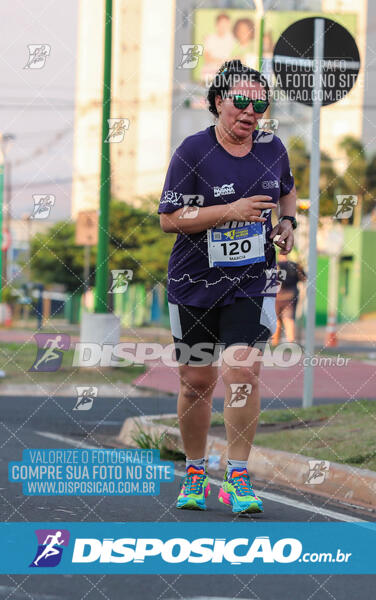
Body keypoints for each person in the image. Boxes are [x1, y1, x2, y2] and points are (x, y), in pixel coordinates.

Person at [159, 60, 297, 514]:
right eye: (240, 101)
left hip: (251, 280)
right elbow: (169, 220)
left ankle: (237, 476)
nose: (250, 111)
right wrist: (230, 210)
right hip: (194, 283)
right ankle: (195, 470)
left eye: (260, 104)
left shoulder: (273, 147)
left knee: (243, 372)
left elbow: (287, 190)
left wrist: (289, 222)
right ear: (217, 102)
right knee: (197, 381)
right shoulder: (192, 151)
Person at [272, 253, 306, 345]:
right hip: (291, 296)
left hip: (278, 296)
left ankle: (275, 342)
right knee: (289, 319)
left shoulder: (276, 265)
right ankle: (291, 342)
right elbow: (304, 278)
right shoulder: (296, 266)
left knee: (277, 320)